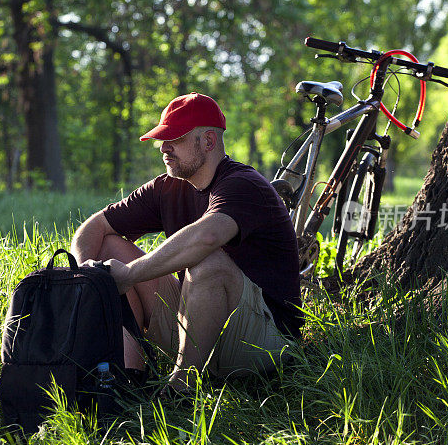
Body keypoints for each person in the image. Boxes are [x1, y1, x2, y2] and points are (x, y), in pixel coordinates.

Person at [72, 92, 302, 391]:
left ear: (208, 141)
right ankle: (129, 377)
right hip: (199, 327)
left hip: (262, 341)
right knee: (109, 248)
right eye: (161, 140)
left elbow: (207, 236)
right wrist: (84, 276)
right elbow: (95, 226)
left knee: (208, 261)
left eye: (175, 139)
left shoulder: (243, 184)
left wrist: (128, 275)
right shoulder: (166, 188)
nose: (164, 149)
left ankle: (182, 387)